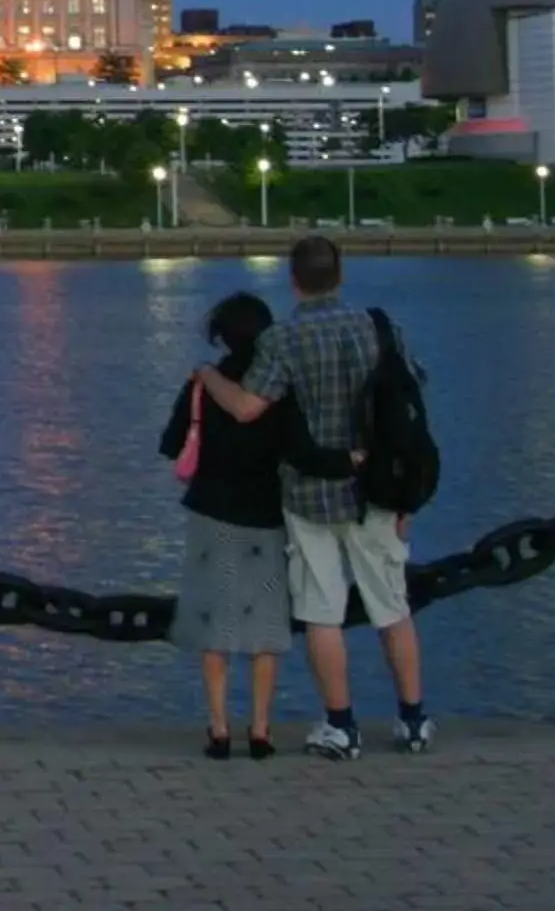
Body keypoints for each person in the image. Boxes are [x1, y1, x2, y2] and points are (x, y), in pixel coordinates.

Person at [196, 234, 430, 760]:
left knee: (322, 612)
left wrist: (209, 377)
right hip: (380, 490)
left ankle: (341, 727)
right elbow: (410, 405)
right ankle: (413, 720)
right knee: (392, 606)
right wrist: (407, 498)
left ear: (293, 279)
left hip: (309, 497)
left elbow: (249, 408)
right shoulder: (380, 327)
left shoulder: (283, 339)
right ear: (340, 275)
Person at [159, 290, 356, 760]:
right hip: (266, 513)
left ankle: (219, 729)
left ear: (221, 335)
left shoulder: (203, 384)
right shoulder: (278, 387)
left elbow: (171, 444)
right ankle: (262, 729)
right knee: (265, 626)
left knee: (215, 624)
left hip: (210, 510)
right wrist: (350, 461)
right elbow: (302, 453)